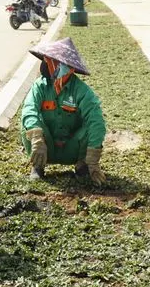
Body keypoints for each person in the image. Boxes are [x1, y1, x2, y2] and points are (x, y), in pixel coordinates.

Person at [21, 38, 106, 184]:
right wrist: (36, 138)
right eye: (49, 61)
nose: (50, 65)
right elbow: (29, 108)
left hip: (71, 147)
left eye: (56, 63)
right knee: (28, 125)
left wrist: (93, 158)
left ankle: (83, 166)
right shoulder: (40, 86)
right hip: (46, 146)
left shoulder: (82, 91)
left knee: (90, 127)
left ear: (69, 67)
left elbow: (96, 121)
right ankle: (38, 166)